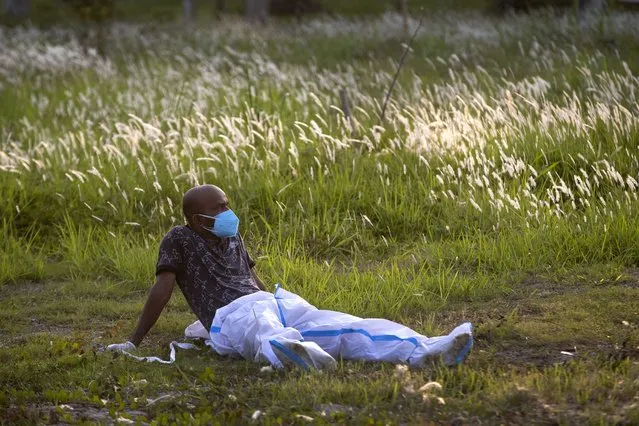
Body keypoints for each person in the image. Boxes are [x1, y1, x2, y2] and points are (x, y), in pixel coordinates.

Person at [107, 184, 473, 370]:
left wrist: (279, 301)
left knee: (343, 326)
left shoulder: (231, 233)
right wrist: (134, 341)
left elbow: (251, 278)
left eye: (227, 204)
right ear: (194, 218)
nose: (228, 212)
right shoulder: (180, 238)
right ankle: (297, 354)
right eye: (218, 208)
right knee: (260, 325)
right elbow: (162, 289)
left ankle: (426, 349)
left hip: (270, 301)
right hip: (229, 316)